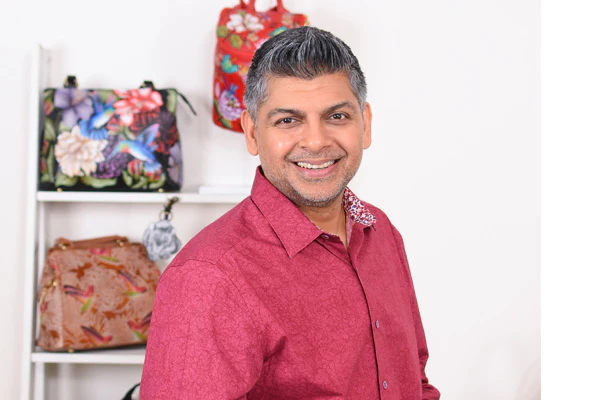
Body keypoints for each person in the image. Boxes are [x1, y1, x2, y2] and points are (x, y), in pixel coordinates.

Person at [141, 26, 440, 400]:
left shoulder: (379, 230)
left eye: (337, 116)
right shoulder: (208, 276)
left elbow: (414, 381)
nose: (315, 141)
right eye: (288, 120)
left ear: (365, 124)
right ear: (252, 133)